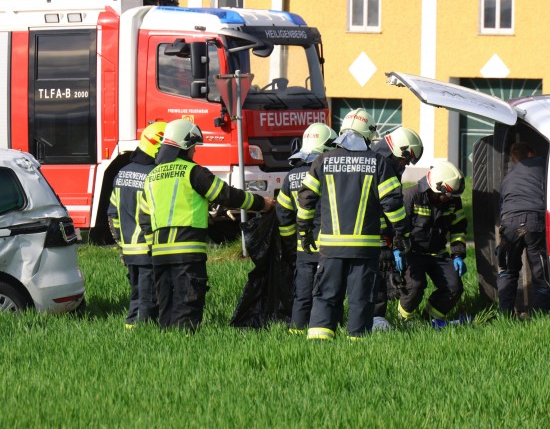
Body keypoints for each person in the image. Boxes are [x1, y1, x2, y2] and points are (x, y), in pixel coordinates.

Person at [139, 119, 274, 332]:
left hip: (159, 256)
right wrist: (261, 204)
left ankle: (167, 347)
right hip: (187, 253)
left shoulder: (151, 177)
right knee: (187, 305)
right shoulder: (193, 172)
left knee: (166, 307)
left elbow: (144, 219)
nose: (194, 152)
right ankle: (184, 349)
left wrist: (152, 249)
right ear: (184, 145)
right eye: (193, 147)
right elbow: (226, 195)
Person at [297, 108, 411, 340]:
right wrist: (401, 232)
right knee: (361, 298)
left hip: (329, 247)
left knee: (326, 295)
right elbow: (392, 204)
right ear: (368, 134)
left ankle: (319, 343)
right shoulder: (378, 163)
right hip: (365, 248)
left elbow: (306, 199)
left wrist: (304, 230)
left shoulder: (322, 160)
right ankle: (356, 344)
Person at [276, 123, 337, 334]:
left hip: (303, 247)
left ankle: (297, 331)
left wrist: (291, 244)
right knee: (327, 293)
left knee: (302, 294)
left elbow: (283, 215)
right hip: (329, 246)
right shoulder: (328, 174)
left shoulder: (290, 177)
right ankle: (327, 329)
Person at [108, 122, 167, 328]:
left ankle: (131, 331)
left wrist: (121, 245)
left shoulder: (122, 172)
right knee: (147, 298)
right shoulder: (154, 176)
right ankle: (139, 333)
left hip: (130, 250)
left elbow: (113, 213)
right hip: (148, 248)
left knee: (136, 295)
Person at [397, 161, 468, 323]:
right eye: (448, 194)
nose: (450, 198)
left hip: (438, 253)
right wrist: (398, 250)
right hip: (412, 254)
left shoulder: (452, 201)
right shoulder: (411, 196)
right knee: (415, 286)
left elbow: (458, 228)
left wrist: (458, 254)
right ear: (437, 188)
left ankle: (429, 320)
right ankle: (404, 319)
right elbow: (398, 228)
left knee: (454, 288)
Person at [370, 127, 424, 331]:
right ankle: (375, 324)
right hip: (373, 232)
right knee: (375, 278)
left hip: (374, 231)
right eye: (405, 160)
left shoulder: (381, 160)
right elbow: (390, 205)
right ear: (399, 151)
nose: (405, 165)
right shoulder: (383, 165)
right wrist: (400, 233)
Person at [496, 141, 550, 316]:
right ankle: (540, 315)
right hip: (533, 222)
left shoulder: (508, 178)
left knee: (508, 271)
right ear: (530, 154)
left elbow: (501, 206)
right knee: (540, 272)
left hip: (510, 224)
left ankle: (505, 315)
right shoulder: (542, 163)